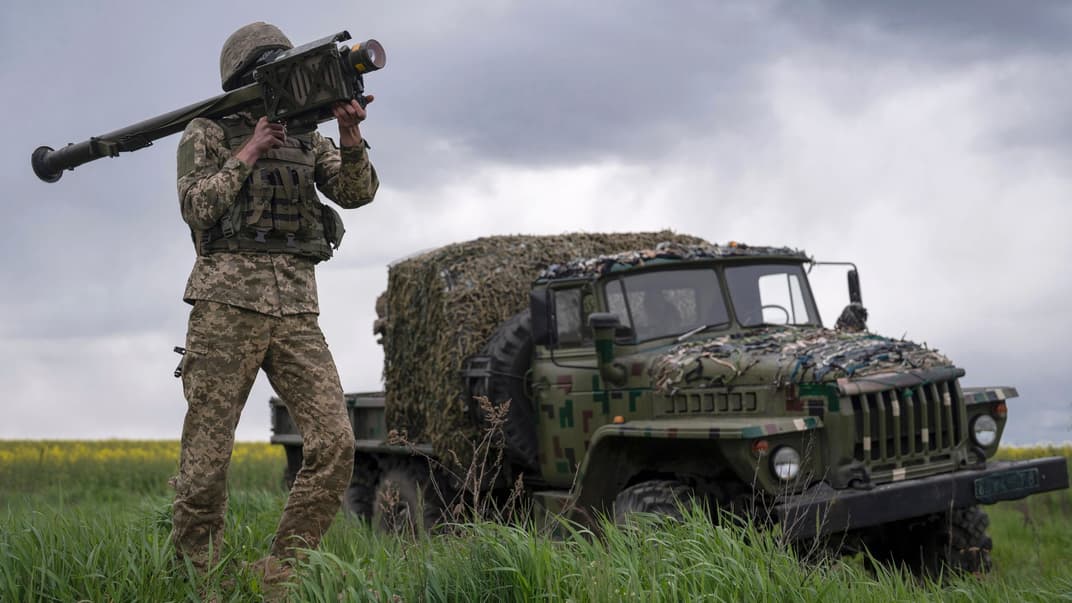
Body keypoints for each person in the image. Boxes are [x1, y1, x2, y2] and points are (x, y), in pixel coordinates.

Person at [170, 22, 379, 576]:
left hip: (296, 313)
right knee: (206, 460)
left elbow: (357, 193)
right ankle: (201, 578)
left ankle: (284, 570)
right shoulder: (205, 131)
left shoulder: (309, 137)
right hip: (225, 309)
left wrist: (352, 137)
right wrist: (251, 149)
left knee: (336, 443)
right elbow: (196, 207)